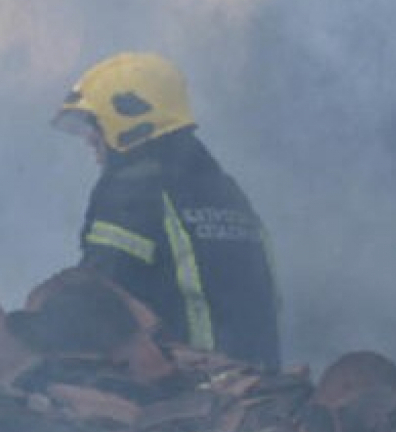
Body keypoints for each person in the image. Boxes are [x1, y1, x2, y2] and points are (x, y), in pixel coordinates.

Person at [52, 52, 281, 369]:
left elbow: (95, 297)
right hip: (260, 386)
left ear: (130, 121)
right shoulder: (225, 191)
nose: (91, 139)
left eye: (97, 126)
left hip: (189, 392)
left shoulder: (132, 194)